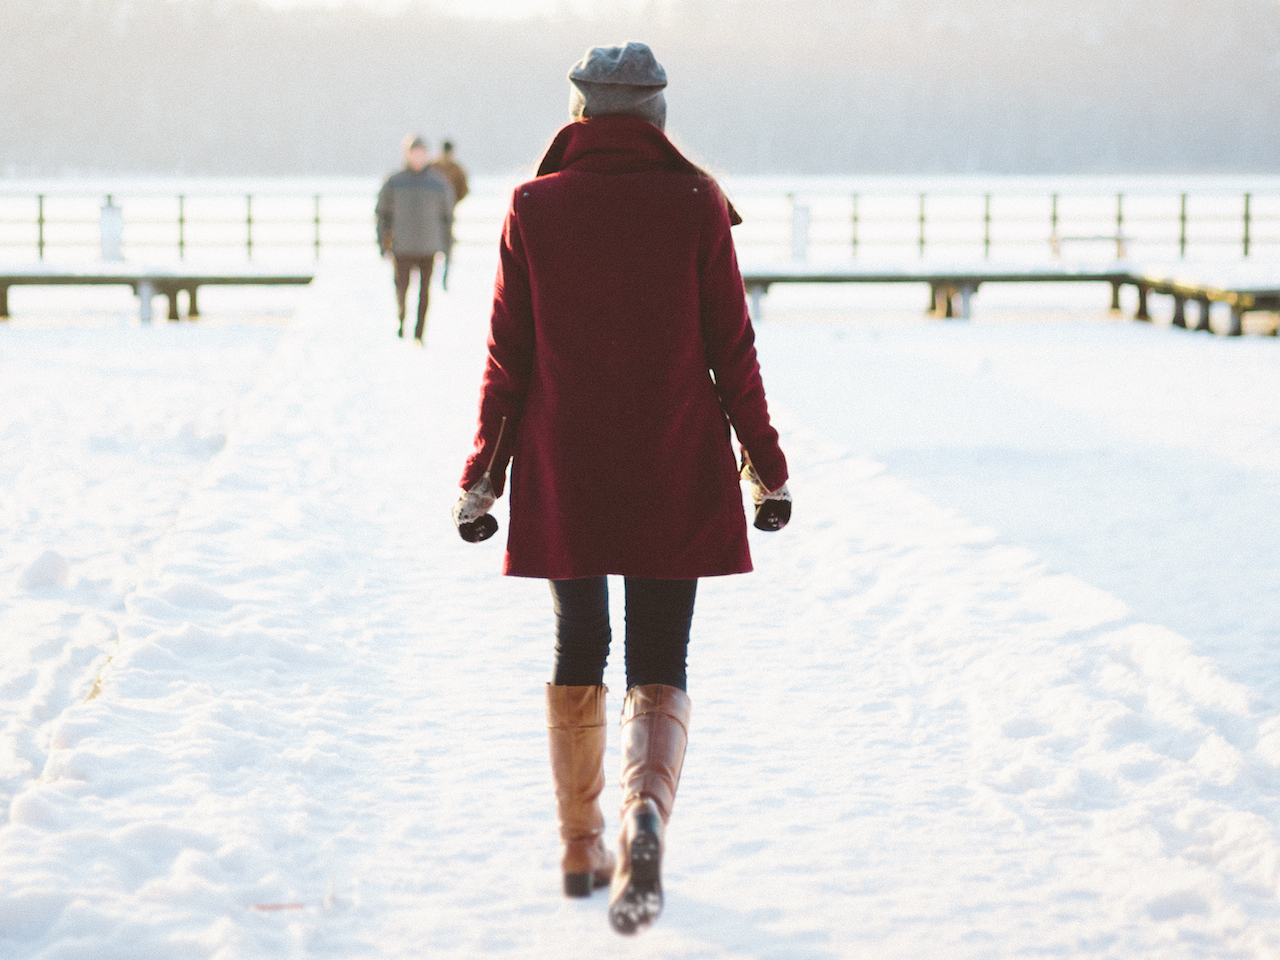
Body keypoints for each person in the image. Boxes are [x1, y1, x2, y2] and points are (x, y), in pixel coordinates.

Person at [451, 42, 792, 936]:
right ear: (656, 117)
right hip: (674, 454)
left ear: (580, 115)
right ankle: (645, 818)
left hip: (566, 459)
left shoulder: (533, 206)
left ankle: (580, 845)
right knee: (660, 656)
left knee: (579, 644)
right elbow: (733, 349)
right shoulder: (696, 203)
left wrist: (483, 476)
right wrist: (766, 463)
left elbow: (507, 357)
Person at [375, 135, 454, 342]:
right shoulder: (394, 182)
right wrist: (383, 242)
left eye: (421, 153)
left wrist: (446, 246)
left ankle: (420, 331)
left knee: (425, 291)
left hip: (429, 246)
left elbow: (447, 217)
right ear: (407, 155)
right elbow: (382, 213)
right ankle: (401, 319)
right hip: (402, 246)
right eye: (414, 153)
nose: (418, 157)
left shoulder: (438, 183)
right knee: (402, 288)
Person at [430, 140, 469, 207]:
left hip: (449, 205)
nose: (446, 156)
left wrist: (453, 200)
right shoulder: (432, 167)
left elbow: (463, 189)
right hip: (432, 204)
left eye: (448, 154)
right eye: (445, 153)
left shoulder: (457, 170)